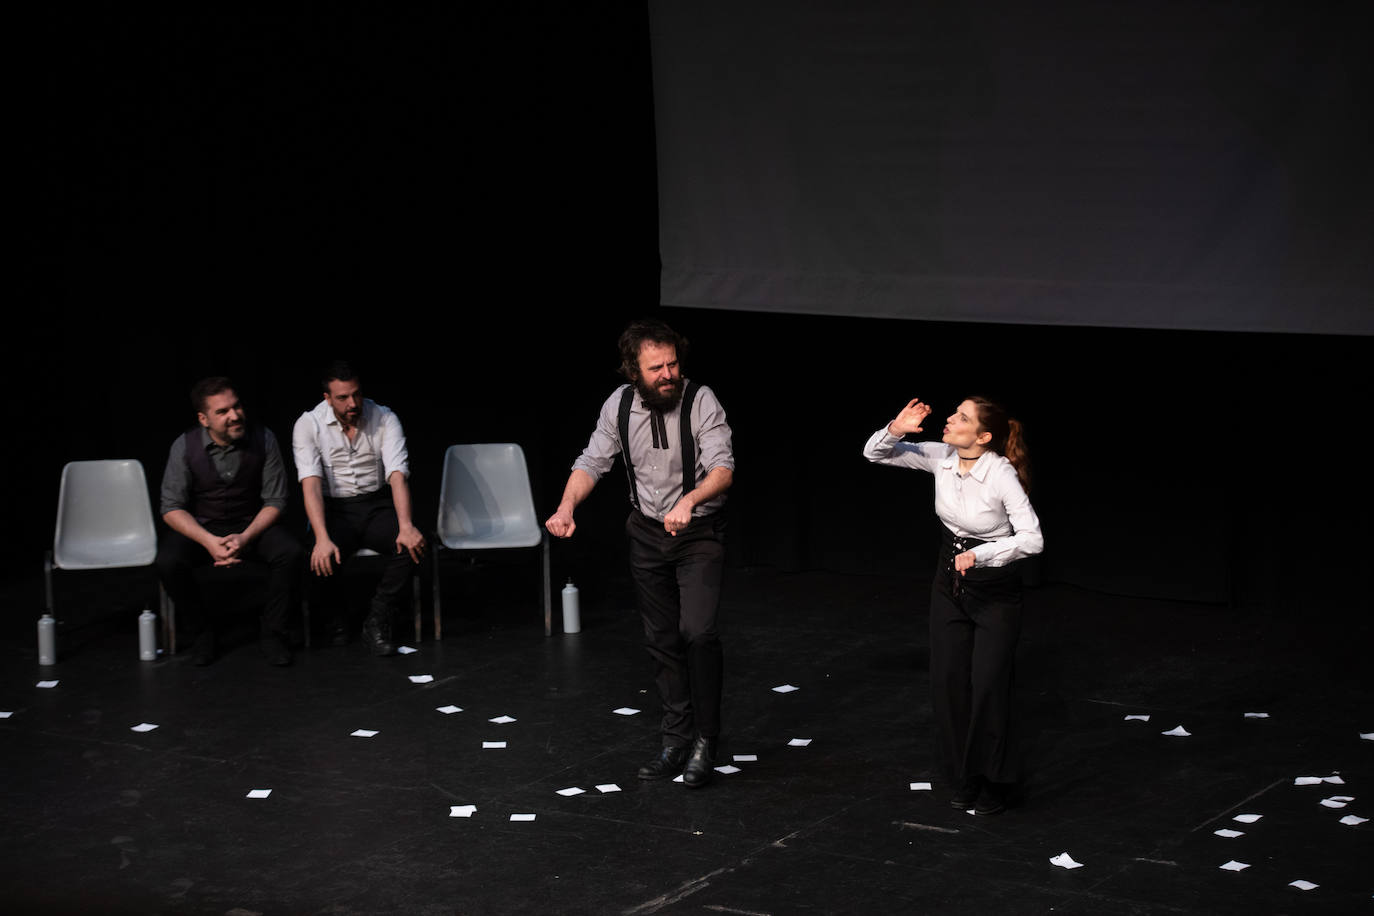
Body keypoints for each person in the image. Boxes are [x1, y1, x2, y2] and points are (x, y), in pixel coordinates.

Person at [546, 320, 735, 788]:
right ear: (634, 371)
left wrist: (690, 501)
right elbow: (592, 461)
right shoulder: (619, 404)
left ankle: (706, 740)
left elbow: (722, 468)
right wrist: (567, 506)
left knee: (698, 633)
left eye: (672, 364)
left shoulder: (700, 400)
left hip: (698, 533)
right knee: (661, 639)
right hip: (647, 534)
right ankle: (676, 740)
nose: (668, 374)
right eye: (656, 368)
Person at [863, 395, 1043, 815]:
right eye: (954, 413)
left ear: (983, 436)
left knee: (988, 685)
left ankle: (996, 781)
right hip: (949, 580)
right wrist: (896, 428)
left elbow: (1032, 539)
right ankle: (967, 774)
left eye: (962, 418)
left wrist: (983, 554)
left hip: (994, 588)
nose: (949, 419)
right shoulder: (940, 457)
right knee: (947, 682)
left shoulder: (999, 474)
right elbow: (874, 453)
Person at [156, 377, 302, 666]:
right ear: (204, 419)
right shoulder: (184, 446)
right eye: (222, 412)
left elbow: (276, 500)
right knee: (168, 562)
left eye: (236, 407)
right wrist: (209, 542)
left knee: (291, 553)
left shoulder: (264, 439)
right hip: (205, 527)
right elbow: (171, 508)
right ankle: (202, 632)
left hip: (251, 524)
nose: (235, 415)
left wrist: (245, 537)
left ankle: (273, 633)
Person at [292, 361, 425, 656]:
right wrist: (322, 537)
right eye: (343, 397)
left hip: (375, 504)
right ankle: (336, 618)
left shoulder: (384, 417)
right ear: (328, 398)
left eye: (356, 394)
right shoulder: (309, 424)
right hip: (334, 508)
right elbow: (310, 484)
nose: (352, 403)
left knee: (412, 545)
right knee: (315, 552)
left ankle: (378, 616)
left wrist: (406, 526)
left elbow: (397, 475)